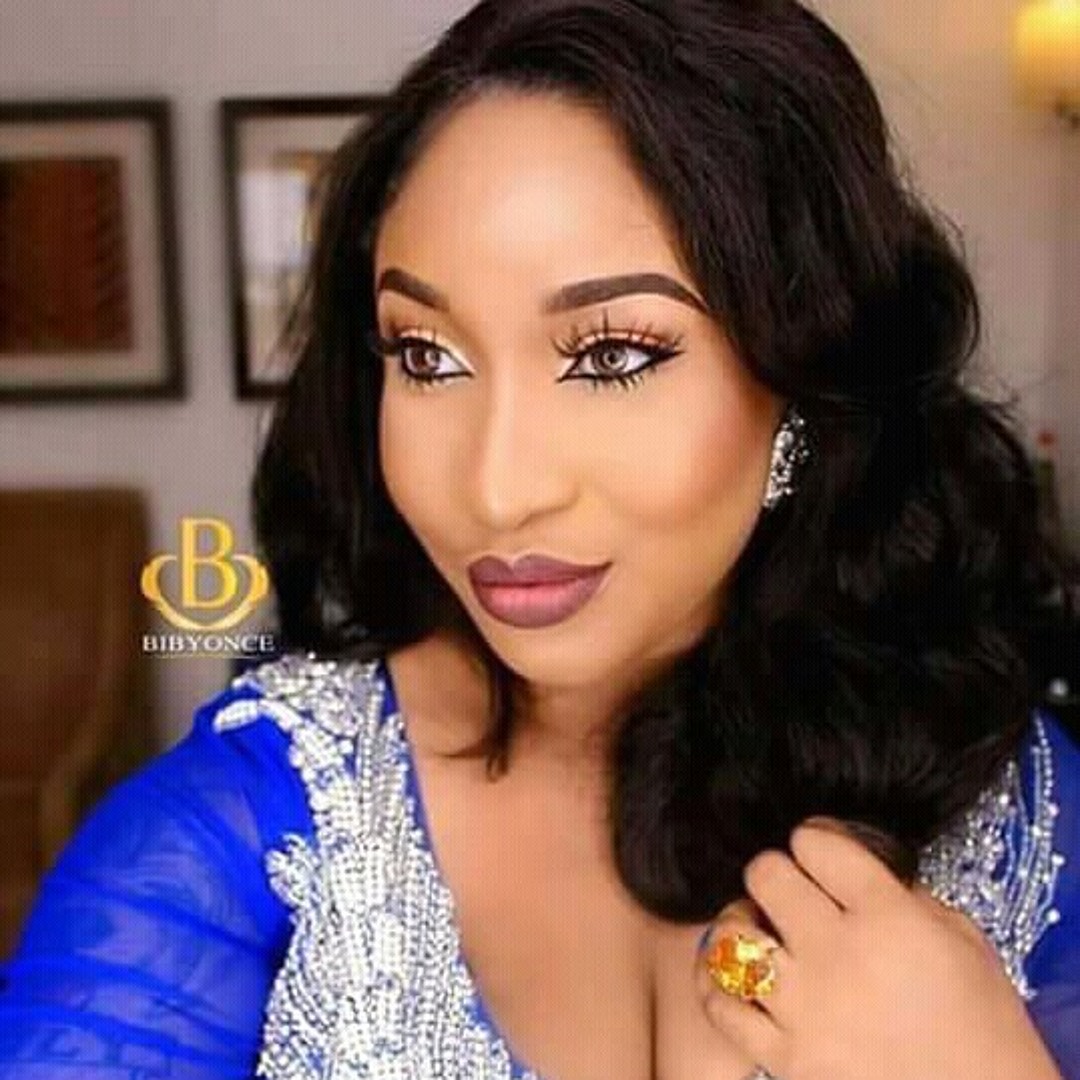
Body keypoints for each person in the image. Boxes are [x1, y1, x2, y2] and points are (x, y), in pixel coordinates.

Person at [1, 0, 1078, 1077]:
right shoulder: (229, 838)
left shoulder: (1020, 807)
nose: (497, 489)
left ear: (802, 379)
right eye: (426, 356)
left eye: (611, 355)